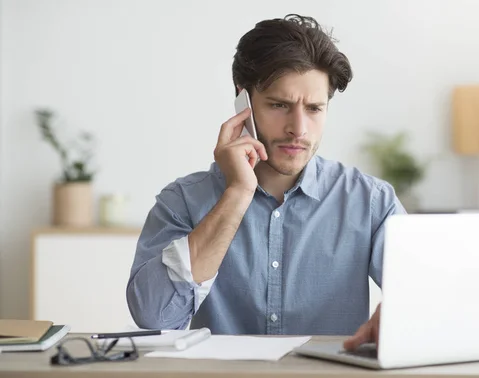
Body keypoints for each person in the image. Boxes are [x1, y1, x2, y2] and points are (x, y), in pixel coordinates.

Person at [126, 14, 404, 350]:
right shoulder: (183, 201)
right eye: (279, 105)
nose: (298, 128)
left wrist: (401, 313)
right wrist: (237, 193)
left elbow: (429, 295)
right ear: (243, 103)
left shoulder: (371, 202)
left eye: (314, 108)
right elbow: (156, 318)